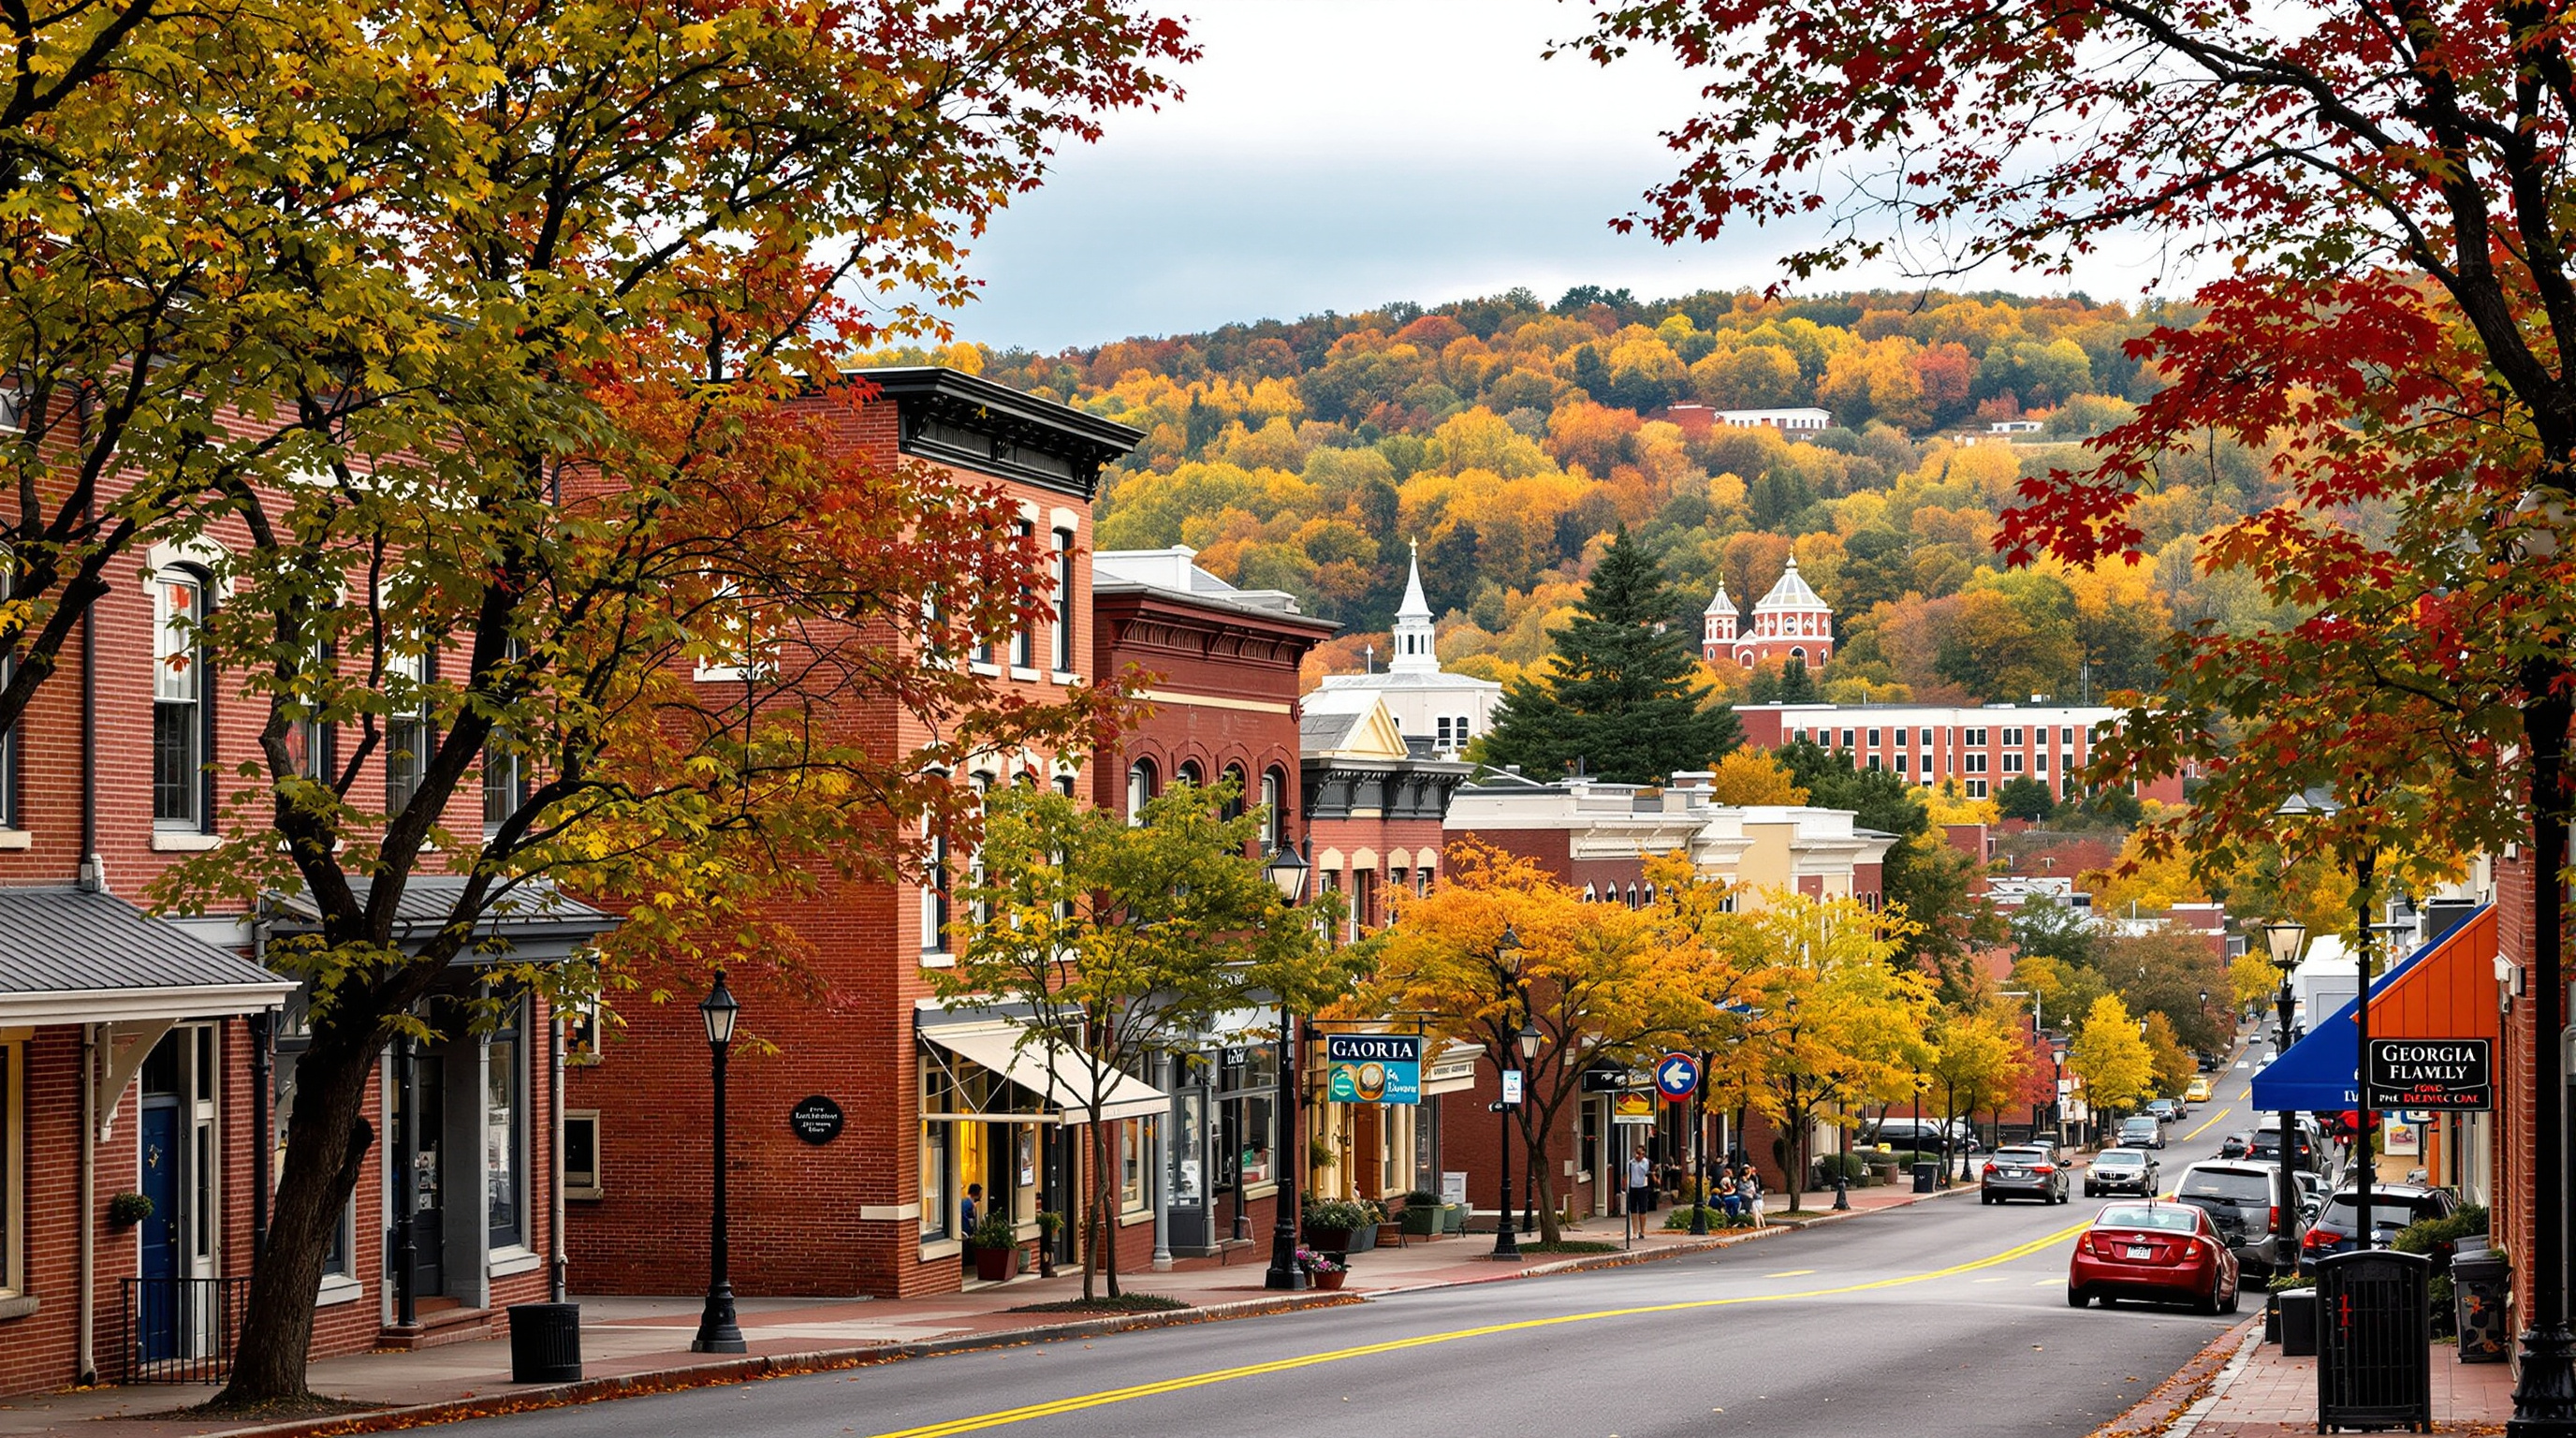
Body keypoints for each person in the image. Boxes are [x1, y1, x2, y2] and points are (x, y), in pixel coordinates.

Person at [1625, 1146, 1656, 1240]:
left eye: (1640, 1153)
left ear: (1644, 1154)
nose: (1637, 1155)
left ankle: (1642, 1231)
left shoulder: (1647, 1163)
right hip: (1633, 1187)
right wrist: (1625, 1184)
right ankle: (1635, 1231)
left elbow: (1652, 1173)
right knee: (1633, 1209)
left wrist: (1655, 1181)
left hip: (1643, 1187)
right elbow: (1627, 1174)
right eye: (1636, 1153)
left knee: (1643, 1209)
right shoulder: (1631, 1163)